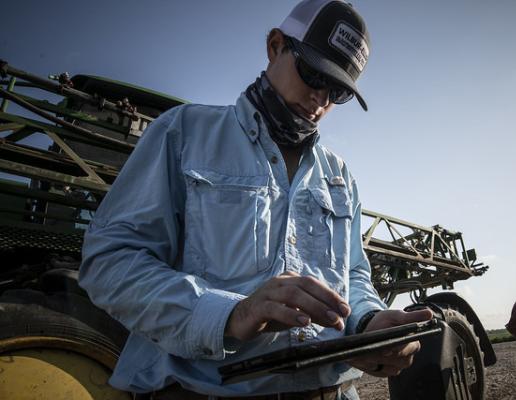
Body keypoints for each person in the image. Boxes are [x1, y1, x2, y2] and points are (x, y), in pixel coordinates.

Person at [79, 0, 433, 398]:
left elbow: (352, 275)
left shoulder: (339, 178)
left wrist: (367, 322)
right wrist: (232, 314)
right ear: (276, 45)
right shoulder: (184, 134)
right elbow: (109, 262)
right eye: (313, 73)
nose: (319, 98)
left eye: (337, 91)